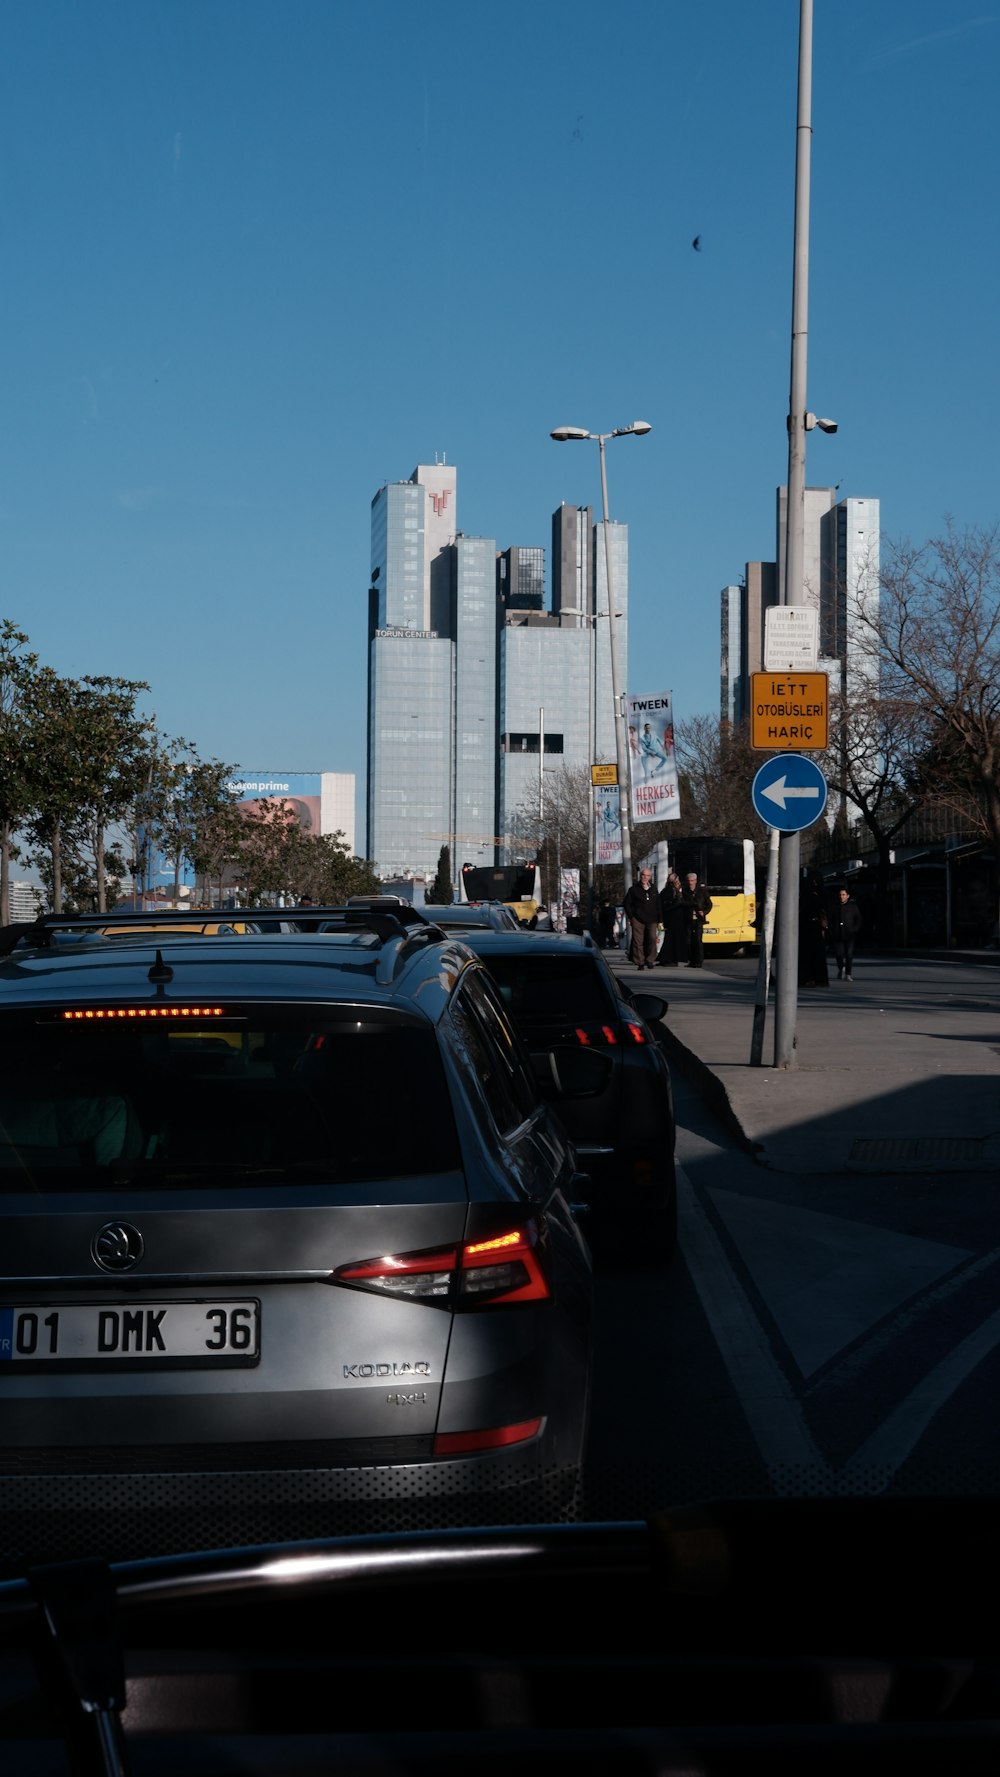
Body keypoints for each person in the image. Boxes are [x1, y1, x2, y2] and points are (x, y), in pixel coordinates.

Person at [623, 867, 661, 969]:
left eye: (648, 875)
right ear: (641, 876)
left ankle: (650, 960)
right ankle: (640, 962)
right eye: (644, 875)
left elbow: (658, 904)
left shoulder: (653, 889)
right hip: (638, 919)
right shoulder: (634, 889)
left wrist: (660, 919)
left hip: (652, 919)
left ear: (650, 877)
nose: (645, 877)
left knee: (652, 939)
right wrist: (631, 916)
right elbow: (627, 904)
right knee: (638, 941)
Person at [798, 870, 829, 986]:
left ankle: (807, 977)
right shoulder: (821, 894)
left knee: (806, 955)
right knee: (817, 956)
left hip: (807, 928)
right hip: (815, 928)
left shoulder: (807, 895)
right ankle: (817, 978)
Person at [828, 885, 862, 980]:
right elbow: (830, 920)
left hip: (850, 935)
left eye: (843, 894)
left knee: (849, 954)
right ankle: (841, 967)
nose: (841, 896)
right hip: (838, 934)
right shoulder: (834, 907)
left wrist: (854, 929)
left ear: (847, 896)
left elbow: (858, 920)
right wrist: (832, 930)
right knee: (839, 954)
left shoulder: (853, 907)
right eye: (840, 895)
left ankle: (848, 974)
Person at [681, 871, 713, 968]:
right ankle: (691, 961)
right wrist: (690, 904)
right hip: (688, 919)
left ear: (695, 881)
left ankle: (699, 961)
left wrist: (704, 912)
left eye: (692, 881)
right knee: (689, 941)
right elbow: (682, 903)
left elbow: (709, 904)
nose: (690, 883)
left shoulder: (702, 891)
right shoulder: (684, 891)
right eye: (689, 881)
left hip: (698, 920)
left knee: (698, 940)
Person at [657, 871, 684, 965]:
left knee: (671, 939)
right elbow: (667, 905)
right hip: (672, 918)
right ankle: (668, 958)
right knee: (671, 939)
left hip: (672, 918)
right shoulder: (670, 890)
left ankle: (670, 958)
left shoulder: (670, 890)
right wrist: (677, 904)